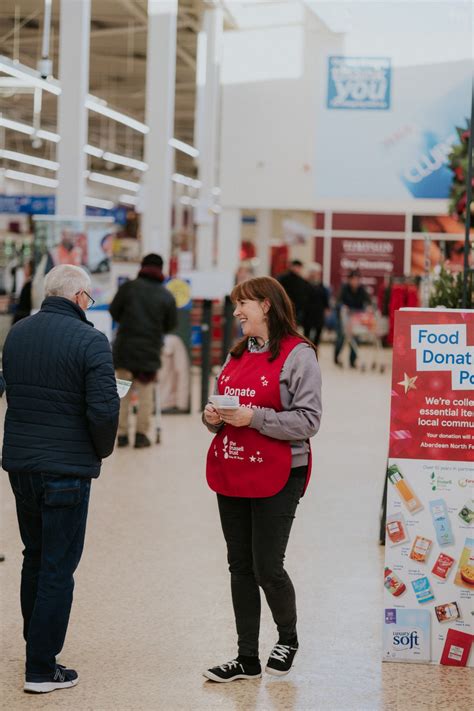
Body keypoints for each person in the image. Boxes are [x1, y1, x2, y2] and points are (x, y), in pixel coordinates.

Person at [2, 264, 119, 694]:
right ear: (77, 297)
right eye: (89, 298)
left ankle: (36, 645)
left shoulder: (18, 333)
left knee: (34, 555)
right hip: (66, 469)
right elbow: (104, 412)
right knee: (58, 566)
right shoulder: (92, 341)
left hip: (22, 466)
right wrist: (100, 451)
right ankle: (41, 668)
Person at [202, 276, 322, 682]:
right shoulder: (236, 355)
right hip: (234, 467)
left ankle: (288, 637)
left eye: (243, 304)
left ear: (266, 306)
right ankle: (246, 658)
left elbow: (309, 420)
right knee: (239, 566)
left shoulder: (298, 355)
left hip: (280, 471)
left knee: (267, 567)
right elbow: (222, 411)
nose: (236, 312)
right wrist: (212, 418)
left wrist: (255, 417)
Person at [109, 253, 177, 448]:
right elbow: (171, 324)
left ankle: (121, 435)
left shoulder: (128, 288)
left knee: (122, 392)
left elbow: (114, 311)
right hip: (149, 352)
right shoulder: (166, 295)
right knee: (146, 393)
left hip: (125, 350)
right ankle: (140, 435)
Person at [334, 269, 372, 368]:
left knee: (355, 339)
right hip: (344, 318)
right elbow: (337, 302)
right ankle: (337, 357)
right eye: (353, 279)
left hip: (356, 319)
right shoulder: (344, 288)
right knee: (341, 338)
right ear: (349, 280)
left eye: (357, 279)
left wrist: (368, 307)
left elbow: (368, 301)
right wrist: (343, 306)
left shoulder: (362, 290)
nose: (355, 282)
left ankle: (352, 361)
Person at [303, 262, 329, 346]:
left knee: (318, 332)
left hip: (319, 313)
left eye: (316, 273)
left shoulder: (321, 286)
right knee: (307, 333)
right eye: (313, 272)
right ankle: (306, 349)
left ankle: (315, 349)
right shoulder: (305, 284)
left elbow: (325, 298)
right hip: (308, 313)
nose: (315, 274)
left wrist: (327, 308)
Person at [277, 259, 310, 326]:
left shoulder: (301, 280)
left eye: (299, 267)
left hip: (298, 308)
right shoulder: (283, 278)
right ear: (291, 267)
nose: (298, 269)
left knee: (294, 326)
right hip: (285, 306)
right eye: (296, 267)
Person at [12, 259, 34, 324]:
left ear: (31, 269)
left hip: (24, 316)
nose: (24, 270)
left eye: (26, 267)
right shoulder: (26, 283)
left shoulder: (30, 284)